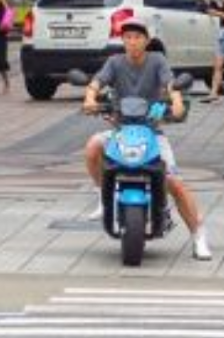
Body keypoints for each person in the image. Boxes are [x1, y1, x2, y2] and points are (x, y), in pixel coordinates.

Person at [82, 18, 213, 261]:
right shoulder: (115, 62)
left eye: (137, 37)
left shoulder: (157, 61)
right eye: (128, 38)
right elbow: (96, 83)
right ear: (123, 41)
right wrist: (90, 97)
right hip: (119, 131)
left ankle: (198, 235)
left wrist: (176, 102)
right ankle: (103, 194)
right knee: (92, 147)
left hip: (151, 132)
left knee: (174, 182)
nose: (132, 42)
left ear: (147, 41)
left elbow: (171, 84)